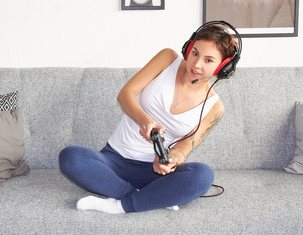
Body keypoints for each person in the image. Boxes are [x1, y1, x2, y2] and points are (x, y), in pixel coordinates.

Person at [59, 22, 240, 213]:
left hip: (153, 172)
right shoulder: (167, 58)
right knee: (71, 157)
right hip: (113, 160)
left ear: (223, 67)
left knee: (203, 175)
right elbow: (126, 94)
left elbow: (184, 148)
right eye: (195, 53)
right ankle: (150, 197)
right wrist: (144, 120)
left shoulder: (215, 108)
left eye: (208, 60)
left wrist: (171, 161)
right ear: (188, 48)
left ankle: (120, 205)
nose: (196, 64)